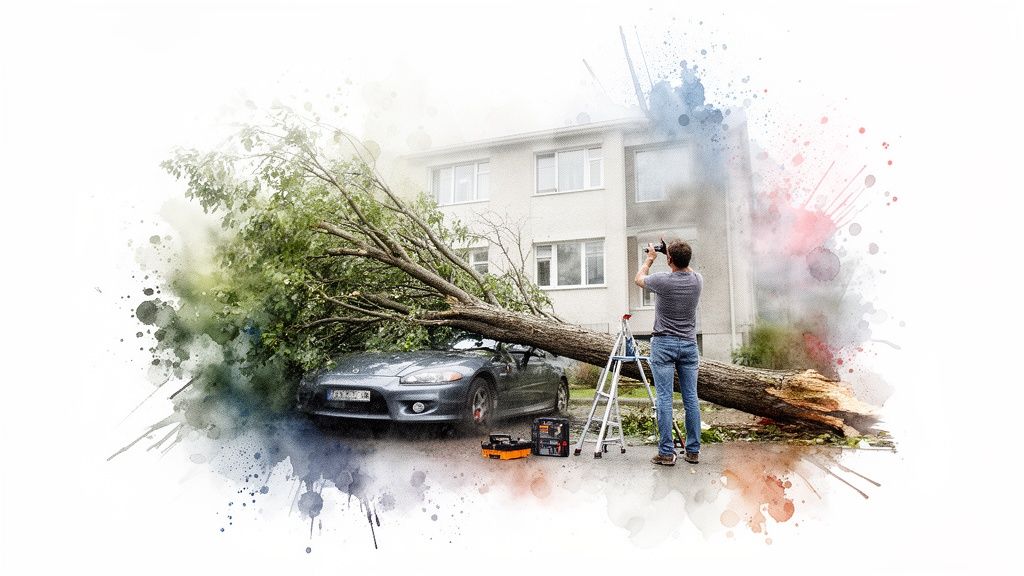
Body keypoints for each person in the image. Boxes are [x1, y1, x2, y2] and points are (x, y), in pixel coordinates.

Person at [634, 239, 703, 466]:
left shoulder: (662, 280)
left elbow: (639, 279)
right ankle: (692, 451)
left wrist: (650, 259)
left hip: (663, 344)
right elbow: (687, 268)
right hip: (689, 345)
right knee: (690, 398)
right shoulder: (697, 280)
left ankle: (666, 453)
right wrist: (674, 256)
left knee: (665, 399)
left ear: (669, 260)